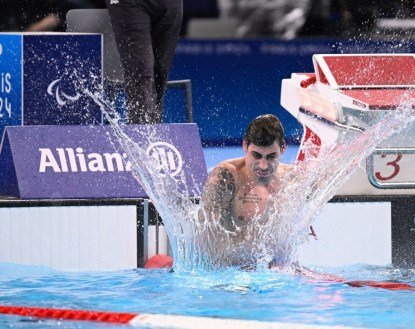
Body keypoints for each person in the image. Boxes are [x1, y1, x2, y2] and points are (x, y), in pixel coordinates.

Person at [198, 114, 316, 268]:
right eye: (257, 155)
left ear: (283, 148)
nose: (263, 165)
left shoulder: (291, 179)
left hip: (272, 275)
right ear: (245, 146)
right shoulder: (226, 177)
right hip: (230, 275)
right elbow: (202, 231)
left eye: (271, 157)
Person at [105, 0, 182, 124]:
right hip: (129, 4)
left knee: (160, 70)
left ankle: (153, 127)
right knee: (141, 69)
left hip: (169, 3)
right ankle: (142, 132)